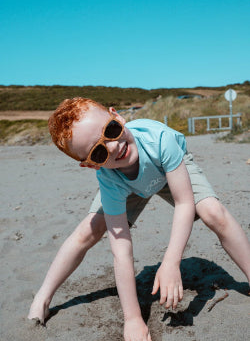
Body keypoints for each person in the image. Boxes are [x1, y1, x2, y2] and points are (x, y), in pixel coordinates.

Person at [28, 97, 250, 341]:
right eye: (99, 152)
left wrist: (171, 262)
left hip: (170, 168)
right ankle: (43, 297)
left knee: (213, 212)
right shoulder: (108, 176)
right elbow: (121, 251)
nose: (113, 147)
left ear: (118, 116)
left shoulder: (159, 139)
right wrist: (132, 318)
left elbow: (184, 203)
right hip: (124, 182)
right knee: (88, 231)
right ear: (91, 165)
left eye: (111, 131)